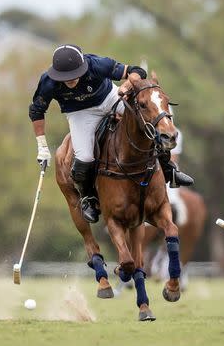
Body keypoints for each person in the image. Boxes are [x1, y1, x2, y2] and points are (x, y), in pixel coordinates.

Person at [29, 44, 193, 224]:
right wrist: (42, 146)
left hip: (109, 98)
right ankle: (88, 199)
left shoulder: (97, 64)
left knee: (148, 123)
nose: (70, 80)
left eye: (74, 74)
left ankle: (170, 170)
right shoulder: (48, 81)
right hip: (80, 113)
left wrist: (126, 85)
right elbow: (37, 111)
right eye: (66, 77)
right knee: (84, 157)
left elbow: (136, 71)